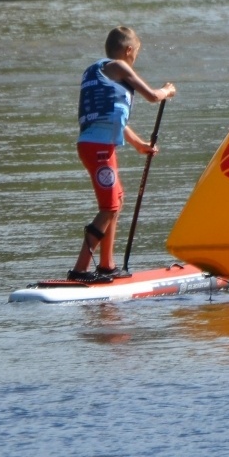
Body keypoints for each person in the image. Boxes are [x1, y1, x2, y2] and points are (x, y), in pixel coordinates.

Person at [69, 26, 176, 283]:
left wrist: (139, 144)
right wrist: (167, 91)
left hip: (99, 146)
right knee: (108, 207)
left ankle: (107, 265)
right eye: (136, 54)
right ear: (129, 51)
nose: (135, 59)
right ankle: (80, 271)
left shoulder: (101, 72)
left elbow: (114, 118)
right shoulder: (119, 66)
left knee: (116, 200)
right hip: (98, 149)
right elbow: (152, 96)